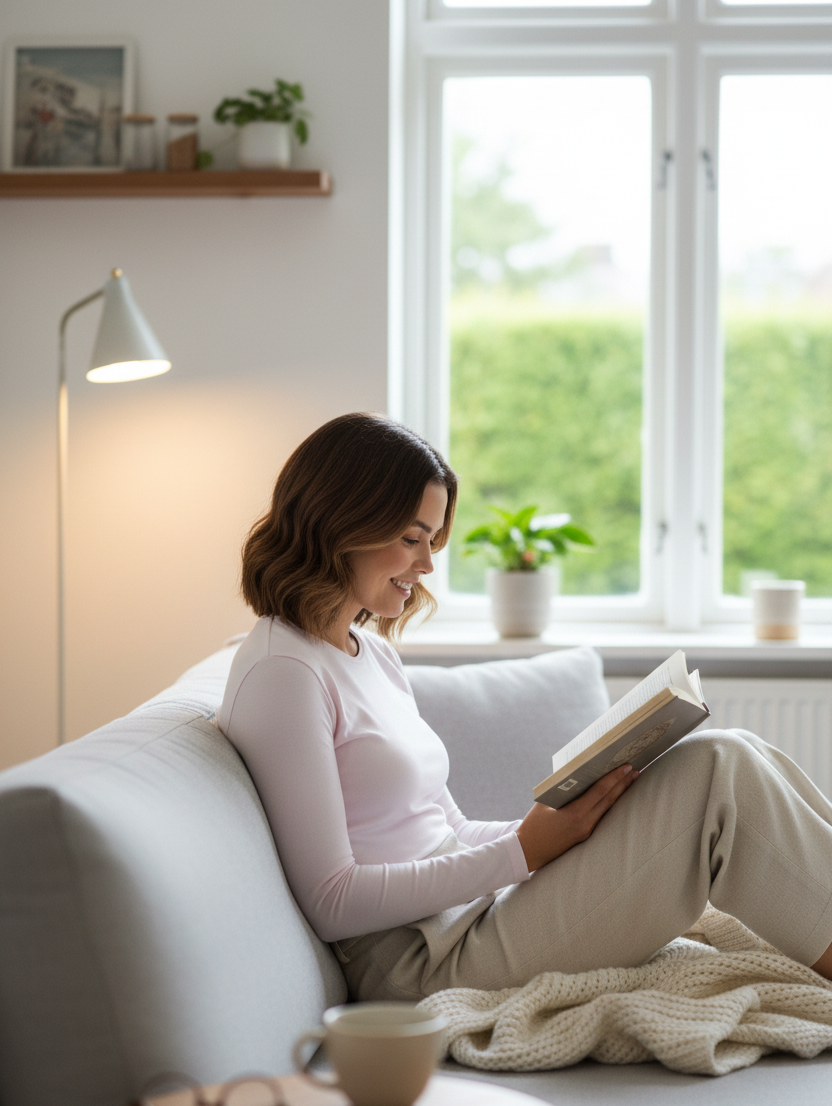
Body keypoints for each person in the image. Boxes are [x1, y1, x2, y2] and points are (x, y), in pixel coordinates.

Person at [217, 411, 832, 1003]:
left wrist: (559, 825)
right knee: (717, 767)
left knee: (740, 750)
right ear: (339, 524)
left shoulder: (370, 654)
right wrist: (524, 852)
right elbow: (332, 900)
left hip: (471, 912)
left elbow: (448, 829)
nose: (427, 565)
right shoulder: (284, 673)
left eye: (432, 541)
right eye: (411, 540)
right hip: (422, 960)